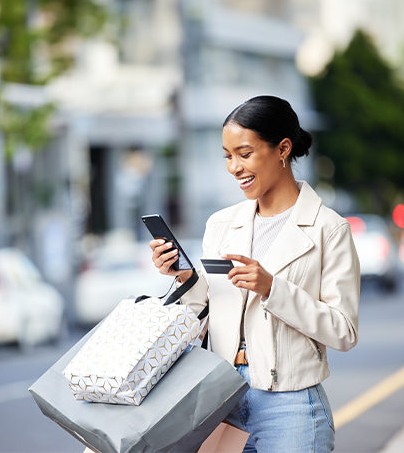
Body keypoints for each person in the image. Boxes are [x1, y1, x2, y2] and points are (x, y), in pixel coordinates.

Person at [150, 96, 360, 453]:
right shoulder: (220, 224)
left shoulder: (329, 229)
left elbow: (344, 331)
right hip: (221, 400)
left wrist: (272, 288)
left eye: (244, 154)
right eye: (227, 155)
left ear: (282, 149)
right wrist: (183, 276)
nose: (234, 167)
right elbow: (201, 313)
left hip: (290, 406)